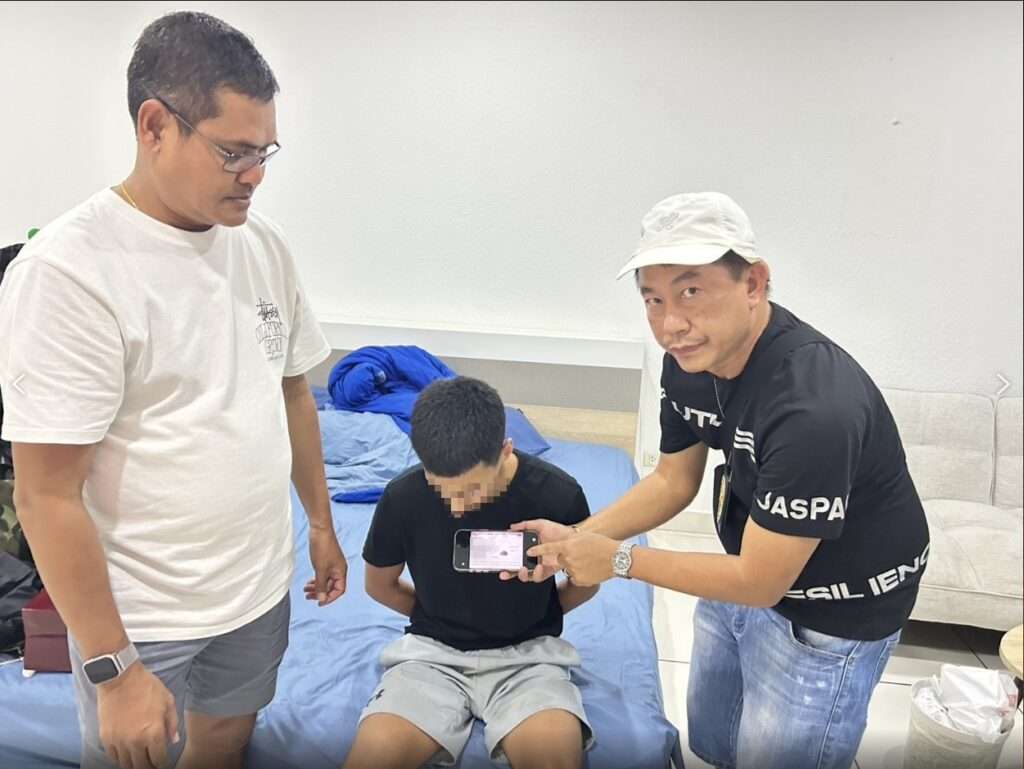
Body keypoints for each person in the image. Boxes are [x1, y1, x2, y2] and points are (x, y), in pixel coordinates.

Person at [0, 12, 346, 769]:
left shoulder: (262, 245)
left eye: (265, 151)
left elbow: (293, 392)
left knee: (225, 735)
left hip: (257, 583)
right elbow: (44, 495)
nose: (254, 174)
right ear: (154, 125)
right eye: (233, 152)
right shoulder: (69, 273)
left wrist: (320, 523)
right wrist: (113, 667)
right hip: (142, 614)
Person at [512, 192, 930, 769]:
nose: (670, 324)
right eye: (653, 299)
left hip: (832, 612)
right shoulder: (687, 362)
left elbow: (760, 582)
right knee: (713, 739)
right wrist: (577, 537)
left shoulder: (813, 408)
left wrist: (618, 560)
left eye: (691, 291)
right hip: (745, 568)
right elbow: (672, 480)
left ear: (754, 283)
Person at [342, 376, 597, 769]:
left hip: (529, 662)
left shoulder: (557, 495)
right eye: (441, 489)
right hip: (430, 660)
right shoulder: (402, 497)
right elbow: (380, 585)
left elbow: (587, 580)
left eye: (472, 490)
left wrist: (544, 614)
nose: (457, 507)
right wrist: (438, 618)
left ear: (505, 450)